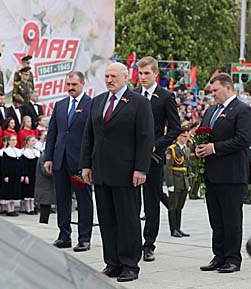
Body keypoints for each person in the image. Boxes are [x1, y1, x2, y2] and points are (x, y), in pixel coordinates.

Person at [80, 62, 154, 282]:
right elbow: (88, 137)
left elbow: (145, 137)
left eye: (113, 76)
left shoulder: (138, 103)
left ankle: (130, 264)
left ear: (125, 77)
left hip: (126, 172)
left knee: (128, 219)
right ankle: (112, 262)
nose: (109, 80)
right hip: (101, 171)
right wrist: (86, 165)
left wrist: (141, 168)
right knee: (107, 219)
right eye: (106, 76)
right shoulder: (98, 102)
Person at [196, 72, 251, 273]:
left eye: (215, 90)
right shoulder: (211, 111)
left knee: (231, 218)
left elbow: (243, 140)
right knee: (216, 218)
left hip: (232, 174)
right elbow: (203, 135)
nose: (212, 94)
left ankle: (232, 258)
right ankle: (219, 255)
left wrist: (214, 148)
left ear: (228, 87)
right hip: (212, 173)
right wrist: (200, 148)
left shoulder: (243, 110)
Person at [135, 56, 181, 262]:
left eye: (147, 73)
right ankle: (132, 240)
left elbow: (175, 128)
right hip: (131, 156)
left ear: (155, 74)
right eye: (140, 73)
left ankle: (148, 244)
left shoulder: (165, 97)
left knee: (151, 201)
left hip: (153, 157)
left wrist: (157, 144)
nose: (143, 77)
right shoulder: (132, 95)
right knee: (132, 201)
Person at [44, 71, 94, 253]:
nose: (71, 88)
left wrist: (90, 163)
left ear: (82, 84)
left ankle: (84, 238)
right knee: (62, 200)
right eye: (68, 85)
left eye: (74, 84)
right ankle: (64, 235)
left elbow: (93, 136)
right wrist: (48, 157)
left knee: (83, 200)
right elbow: (53, 134)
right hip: (60, 162)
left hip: (80, 165)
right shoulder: (60, 105)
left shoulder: (91, 105)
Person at [165, 127, 191, 238]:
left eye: (186, 137)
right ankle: (173, 229)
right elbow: (168, 168)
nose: (186, 139)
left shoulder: (187, 149)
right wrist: (170, 184)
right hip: (175, 181)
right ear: (178, 136)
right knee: (172, 206)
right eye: (184, 136)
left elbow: (188, 167)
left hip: (184, 181)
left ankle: (178, 228)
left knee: (180, 206)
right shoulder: (172, 149)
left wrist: (189, 182)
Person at [0, 134, 23, 216]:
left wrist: (22, 175)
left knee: (14, 192)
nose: (14, 142)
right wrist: (5, 175)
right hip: (10, 175)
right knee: (9, 191)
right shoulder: (6, 152)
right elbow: (4, 165)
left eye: (15, 140)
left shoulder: (18, 151)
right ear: (8, 141)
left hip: (16, 174)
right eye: (12, 140)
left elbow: (21, 164)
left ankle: (13, 209)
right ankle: (9, 210)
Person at [20, 135, 40, 215]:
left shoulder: (36, 152)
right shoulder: (24, 152)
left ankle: (32, 207)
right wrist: (25, 175)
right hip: (28, 174)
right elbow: (23, 165)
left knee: (33, 191)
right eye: (32, 141)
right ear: (28, 142)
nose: (34, 142)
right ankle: (28, 208)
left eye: (34, 141)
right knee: (27, 191)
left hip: (35, 174)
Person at [35, 150, 55, 224]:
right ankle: (43, 222)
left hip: (47, 187)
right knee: (45, 206)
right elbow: (46, 171)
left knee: (47, 205)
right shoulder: (44, 157)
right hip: (44, 187)